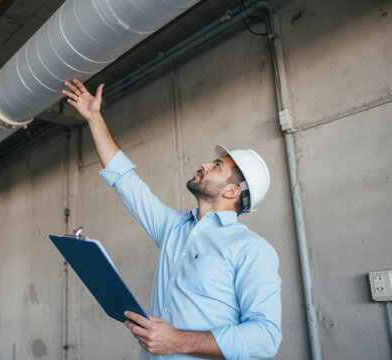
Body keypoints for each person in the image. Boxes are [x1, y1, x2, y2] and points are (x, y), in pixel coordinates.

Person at [62, 79, 281, 360]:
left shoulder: (252, 249)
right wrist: (94, 117)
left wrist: (178, 341)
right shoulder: (173, 227)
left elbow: (265, 338)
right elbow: (124, 180)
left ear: (232, 191)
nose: (203, 164)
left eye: (217, 166)